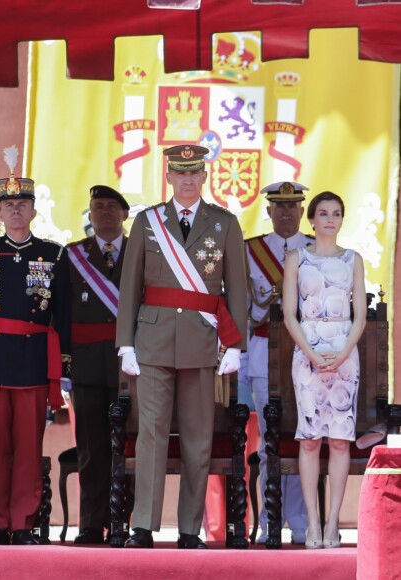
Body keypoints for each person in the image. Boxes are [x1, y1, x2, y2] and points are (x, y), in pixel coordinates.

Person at [116, 144, 247, 549]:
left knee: (197, 437)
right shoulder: (147, 221)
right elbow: (130, 287)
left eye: (194, 173)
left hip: (202, 343)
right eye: (180, 173)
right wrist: (126, 344)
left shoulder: (224, 223)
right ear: (169, 176)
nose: (187, 180)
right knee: (150, 437)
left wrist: (235, 345)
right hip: (152, 341)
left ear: (204, 177)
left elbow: (237, 289)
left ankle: (190, 529)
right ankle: (143, 526)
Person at [0, 148, 71, 546]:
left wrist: (66, 366)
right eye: (9, 205)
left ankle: (22, 522)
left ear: (34, 210)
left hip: (33, 360)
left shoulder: (53, 255)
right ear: (0, 211)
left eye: (23, 204)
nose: (16, 211)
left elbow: (64, 314)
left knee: (28, 447)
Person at [283, 191, 366, 549]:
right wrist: (311, 353)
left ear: (341, 220)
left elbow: (360, 314)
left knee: (340, 439)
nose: (329, 219)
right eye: (322, 213)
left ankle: (333, 523)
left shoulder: (353, 259)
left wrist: (345, 351)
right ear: (311, 220)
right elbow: (289, 314)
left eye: (336, 213)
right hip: (307, 351)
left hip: (345, 349)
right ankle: (313, 525)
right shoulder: (296, 258)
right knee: (311, 438)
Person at [245, 181, 311, 544]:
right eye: (278, 207)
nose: (286, 213)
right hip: (262, 353)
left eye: (292, 206)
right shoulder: (250, 251)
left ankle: (299, 519)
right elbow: (242, 307)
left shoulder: (316, 249)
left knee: (302, 437)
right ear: (268, 211)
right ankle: (271, 518)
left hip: (306, 356)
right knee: (271, 439)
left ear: (302, 212)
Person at [66, 185, 130, 545]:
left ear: (124, 214)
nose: (104, 212)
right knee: (91, 449)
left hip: (130, 367)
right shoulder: (73, 256)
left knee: (128, 447)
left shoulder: (143, 252)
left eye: (111, 207)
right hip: (87, 367)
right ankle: (91, 523)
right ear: (89, 215)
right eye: (97, 207)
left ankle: (122, 521)